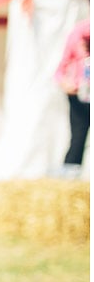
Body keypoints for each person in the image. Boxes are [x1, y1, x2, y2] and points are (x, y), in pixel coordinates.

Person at [54, 18, 91, 178]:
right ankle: (69, 176)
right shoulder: (77, 32)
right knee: (78, 136)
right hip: (79, 95)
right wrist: (65, 83)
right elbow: (60, 70)